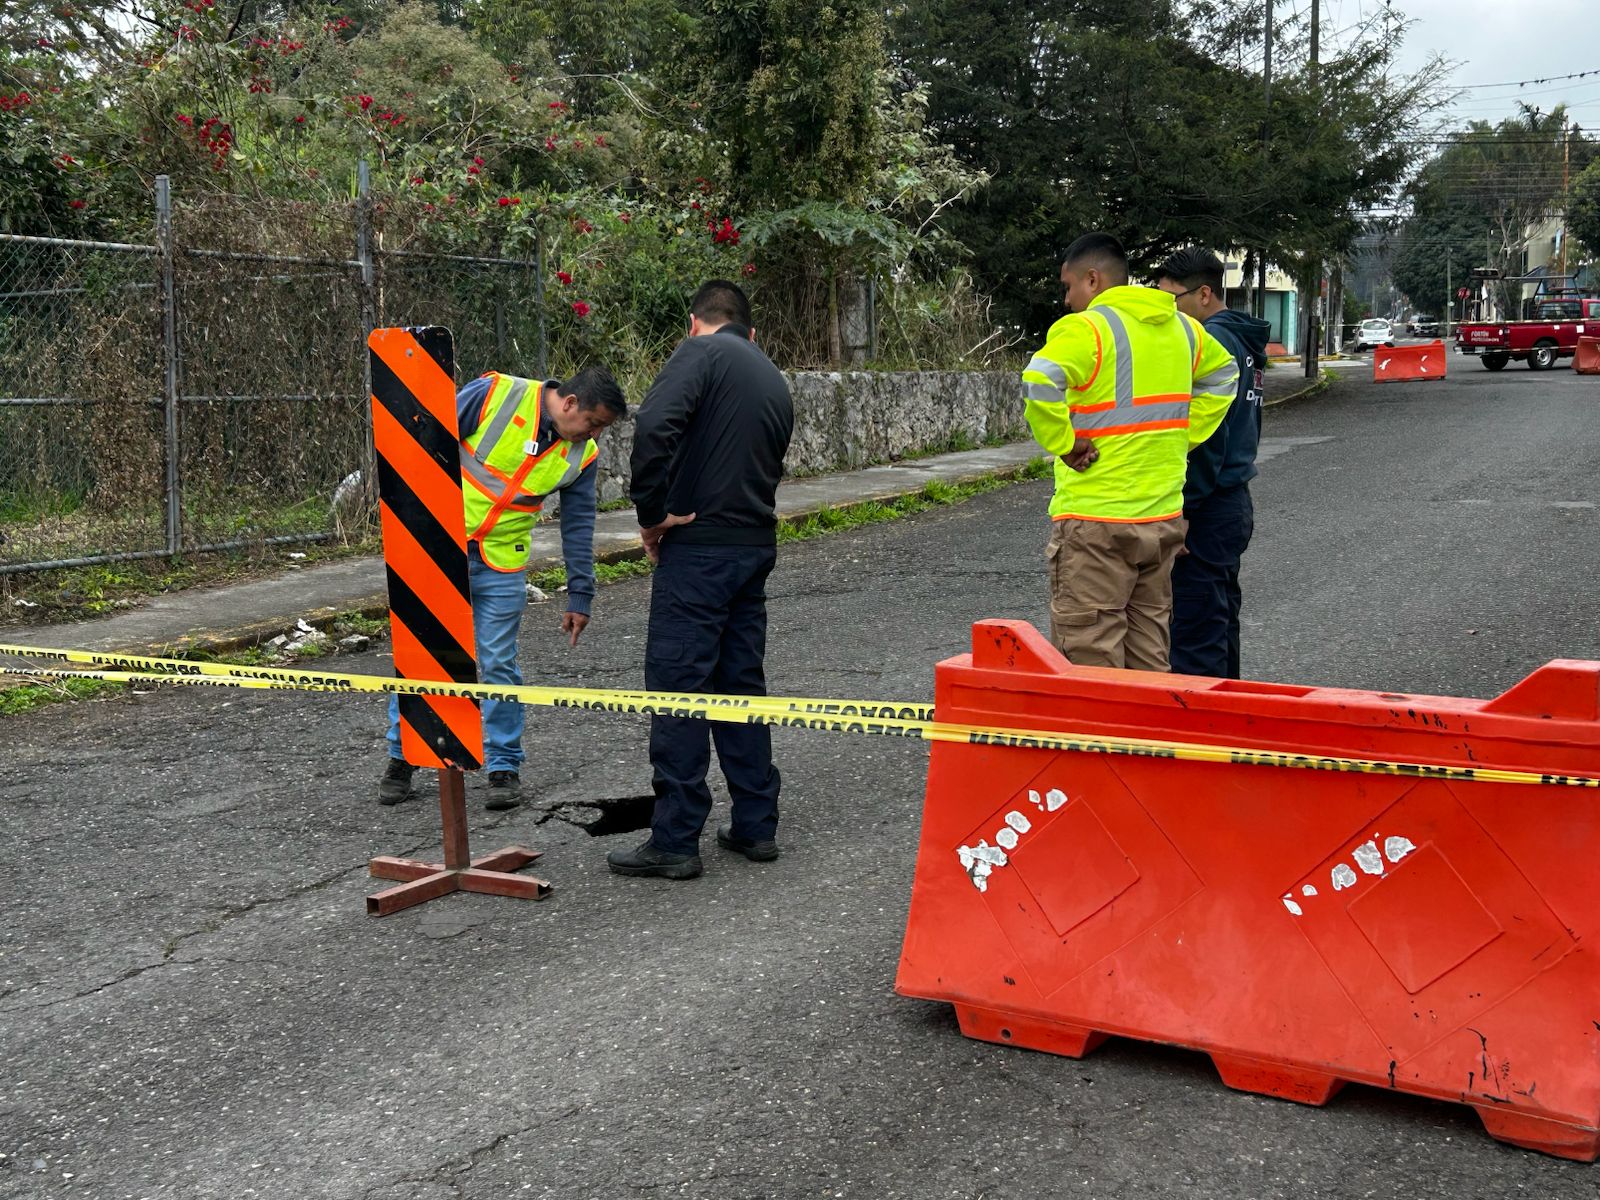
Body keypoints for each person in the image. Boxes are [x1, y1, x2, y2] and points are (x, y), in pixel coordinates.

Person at [607, 280, 794, 881]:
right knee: (740, 686)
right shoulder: (772, 376)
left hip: (700, 550)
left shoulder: (700, 352)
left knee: (678, 688)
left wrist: (652, 513)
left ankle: (675, 839)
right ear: (751, 330)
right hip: (753, 544)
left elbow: (654, 426)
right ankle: (756, 825)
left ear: (695, 322)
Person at [378, 365, 627, 810]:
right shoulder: (495, 395)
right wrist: (411, 534)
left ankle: (503, 767)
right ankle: (403, 755)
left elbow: (578, 526)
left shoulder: (582, 455)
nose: (594, 436)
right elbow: (425, 445)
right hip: (438, 551)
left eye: (601, 429)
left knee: (498, 664)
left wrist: (580, 594)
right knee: (423, 657)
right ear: (570, 403)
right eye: (593, 423)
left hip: (501, 563)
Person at [1021, 232, 1240, 671]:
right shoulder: (1184, 330)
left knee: (1090, 658)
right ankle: (1146, 720)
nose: (1067, 300)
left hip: (1096, 520)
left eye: (1069, 287)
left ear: (1093, 279)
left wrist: (1065, 443)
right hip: (1160, 521)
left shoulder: (1087, 329)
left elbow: (1039, 380)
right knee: (1149, 657)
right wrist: (1182, 436)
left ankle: (1104, 721)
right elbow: (1224, 376)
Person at [1155, 247, 1271, 679]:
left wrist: (1184, 511)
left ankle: (1200, 719)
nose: (1167, 312)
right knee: (1219, 623)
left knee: (1194, 635)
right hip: (1231, 500)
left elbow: (1207, 438)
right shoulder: (1243, 340)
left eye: (1172, 300)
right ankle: (1228, 711)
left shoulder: (1213, 342)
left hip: (1207, 504)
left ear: (1204, 294)